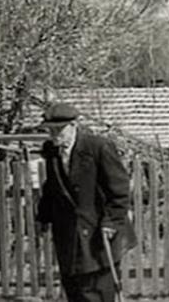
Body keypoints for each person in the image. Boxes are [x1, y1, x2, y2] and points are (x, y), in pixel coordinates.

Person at [37, 102, 137, 302]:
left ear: (74, 125)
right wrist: (43, 217)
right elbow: (52, 187)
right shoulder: (51, 150)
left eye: (59, 129)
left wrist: (111, 221)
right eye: (50, 130)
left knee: (96, 290)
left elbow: (119, 188)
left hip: (98, 232)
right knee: (74, 289)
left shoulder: (98, 147)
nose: (54, 135)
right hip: (68, 233)